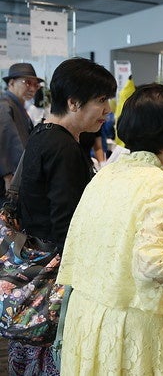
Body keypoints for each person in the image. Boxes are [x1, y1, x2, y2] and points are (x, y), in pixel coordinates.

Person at [56, 84, 163, 374]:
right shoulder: (159, 184)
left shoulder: (108, 173)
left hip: (89, 321)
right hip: (133, 332)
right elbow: (154, 266)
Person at [9, 57, 116, 375]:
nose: (107, 109)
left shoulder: (42, 134)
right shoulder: (64, 148)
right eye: (101, 100)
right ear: (73, 102)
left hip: (31, 267)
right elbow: (67, 226)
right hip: (52, 282)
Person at [1, 63, 42, 205]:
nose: (32, 88)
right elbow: (5, 139)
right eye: (27, 82)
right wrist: (8, 175)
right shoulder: (4, 104)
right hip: (9, 179)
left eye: (36, 85)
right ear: (11, 83)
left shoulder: (18, 105)